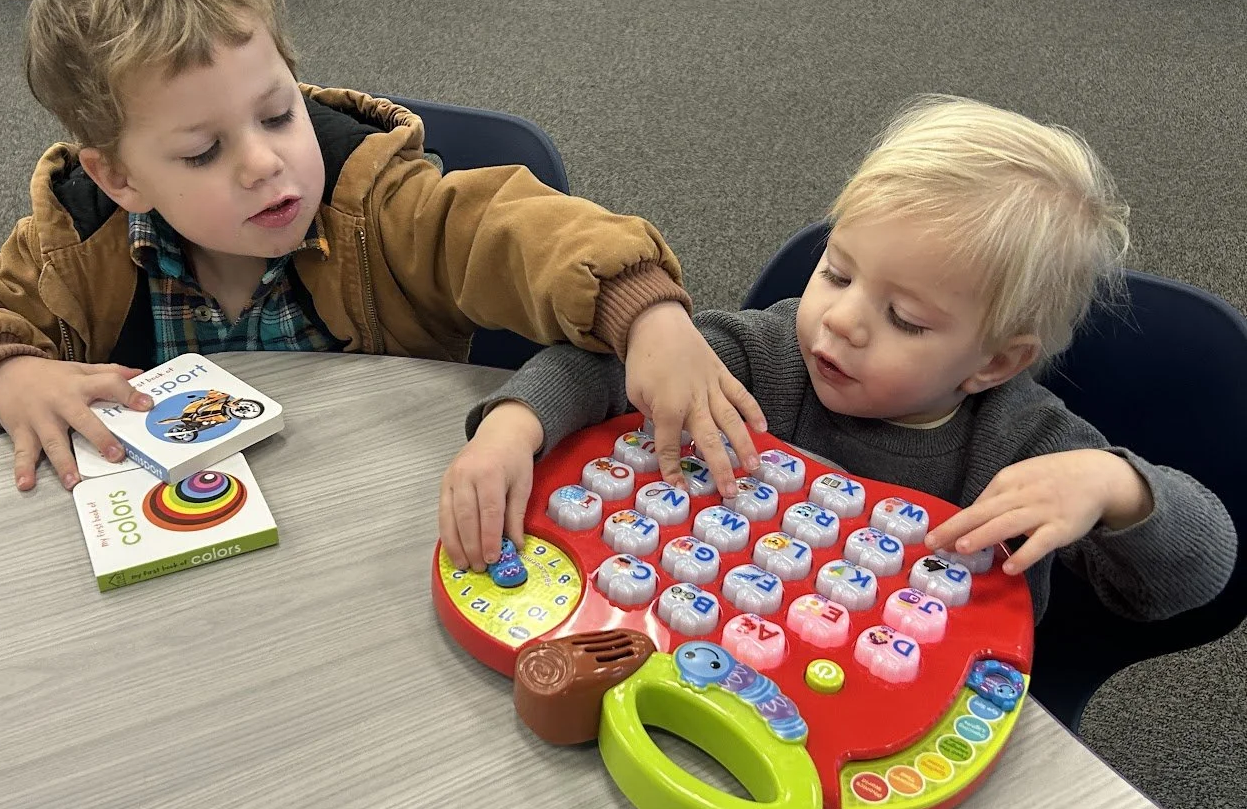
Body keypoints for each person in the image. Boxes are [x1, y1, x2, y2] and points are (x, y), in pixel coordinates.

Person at [0, 0, 763, 518]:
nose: (265, 162)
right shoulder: (75, 244)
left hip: (383, 515)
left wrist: (644, 311)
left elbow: (513, 225)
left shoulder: (377, 206)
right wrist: (5, 374)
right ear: (119, 177)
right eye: (202, 152)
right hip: (180, 546)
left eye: (276, 115)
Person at [443, 95, 1235, 620]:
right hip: (707, 633)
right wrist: (514, 426)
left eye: (904, 318)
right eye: (838, 271)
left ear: (992, 363)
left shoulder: (1024, 443)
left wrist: (1117, 487)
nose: (843, 322)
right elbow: (606, 368)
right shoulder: (771, 352)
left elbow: (1199, 570)